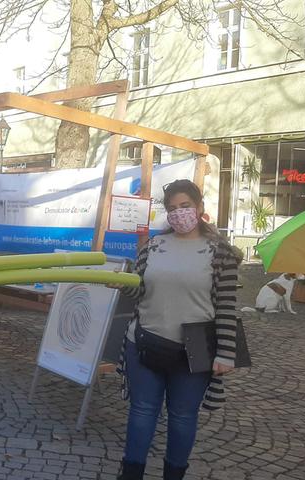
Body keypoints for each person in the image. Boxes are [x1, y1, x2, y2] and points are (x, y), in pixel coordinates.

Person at [111, 179, 241, 480]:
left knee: (183, 417)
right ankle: (130, 473)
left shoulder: (220, 251)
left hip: (195, 349)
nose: (179, 213)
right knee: (142, 411)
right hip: (144, 340)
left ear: (199, 208)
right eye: (172, 209)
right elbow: (141, 291)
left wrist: (226, 353)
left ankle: (174, 474)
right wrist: (123, 285)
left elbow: (226, 306)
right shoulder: (154, 246)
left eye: (185, 206)